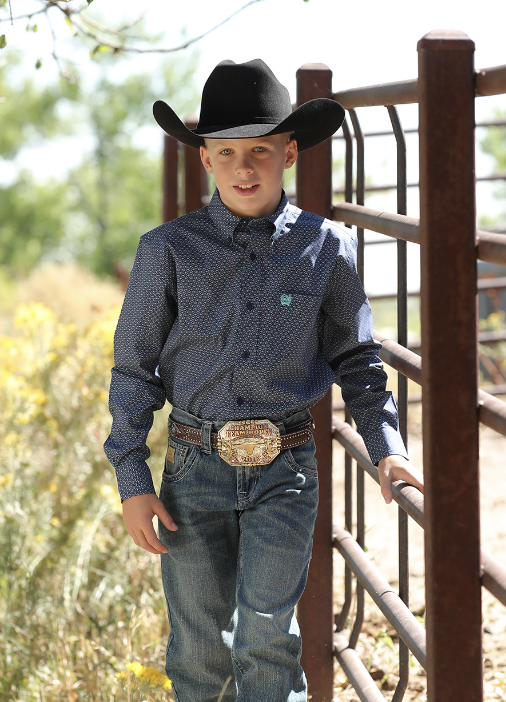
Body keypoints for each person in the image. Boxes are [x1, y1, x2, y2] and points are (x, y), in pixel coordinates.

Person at [104, 59, 424, 702]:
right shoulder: (168, 248)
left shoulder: (326, 246)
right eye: (226, 152)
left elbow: (356, 356)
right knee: (197, 648)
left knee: (267, 641)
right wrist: (133, 481)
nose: (244, 168)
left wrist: (386, 447)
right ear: (205, 160)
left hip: (287, 468)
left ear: (290, 152)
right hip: (193, 469)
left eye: (260, 151)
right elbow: (134, 369)